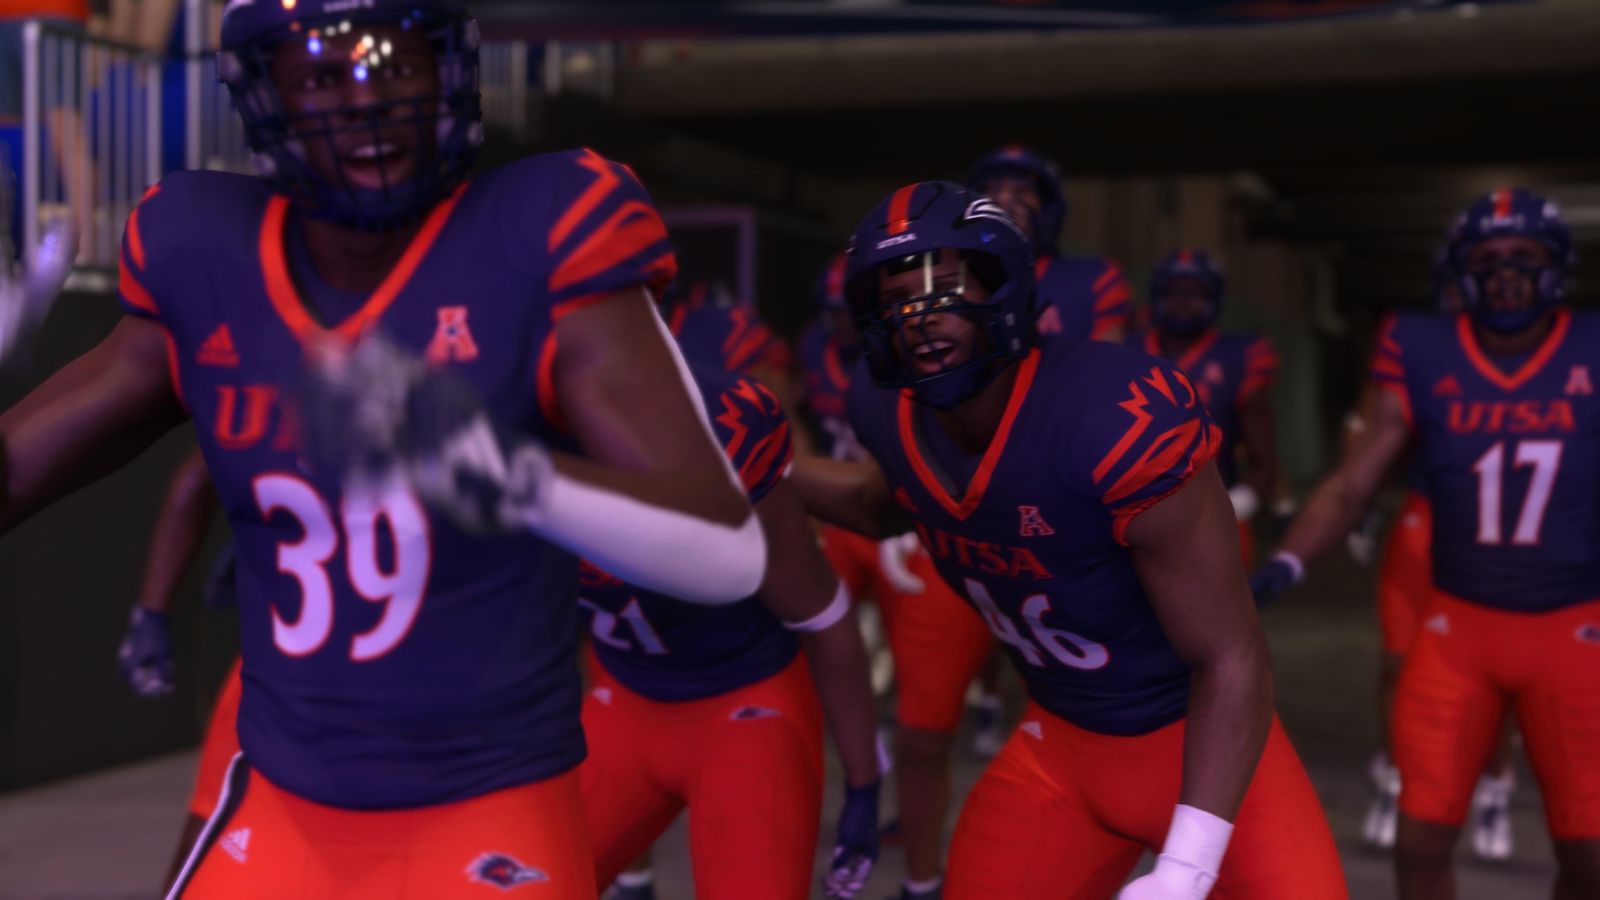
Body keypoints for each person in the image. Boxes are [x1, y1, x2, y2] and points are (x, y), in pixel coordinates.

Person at [0, 1, 769, 896]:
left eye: (395, 65)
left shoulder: (541, 232)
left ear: (449, 71)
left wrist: (500, 472)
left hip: (489, 809)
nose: (366, 101)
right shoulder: (206, 252)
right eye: (324, 76)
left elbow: (726, 554)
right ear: (266, 96)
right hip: (283, 805)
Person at [795, 180, 1345, 899]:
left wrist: (1187, 868)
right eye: (896, 299)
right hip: (1059, 749)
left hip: (1195, 744)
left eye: (946, 289)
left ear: (1006, 290)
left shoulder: (1110, 417)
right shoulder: (886, 412)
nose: (920, 316)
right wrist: (757, 462)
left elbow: (1232, 656)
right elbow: (885, 502)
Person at [1253, 188, 1598, 900]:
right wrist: (1287, 561)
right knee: (1418, 843)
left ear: (1556, 265)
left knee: (1589, 853)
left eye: (1523, 256)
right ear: (1462, 270)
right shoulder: (1422, 344)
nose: (1506, 274)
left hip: (1574, 626)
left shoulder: (1589, 345)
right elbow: (1352, 485)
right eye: (1489, 258)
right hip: (1457, 627)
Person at [580, 361, 880, 900]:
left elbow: (821, 612)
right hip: (624, 694)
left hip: (745, 701)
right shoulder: (502, 441)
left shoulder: (719, 434)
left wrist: (864, 783)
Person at [797, 251, 993, 900]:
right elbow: (784, 414)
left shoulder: (957, 349)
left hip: (922, 521)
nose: (843, 327)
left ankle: (921, 879)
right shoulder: (820, 352)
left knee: (924, 728)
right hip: (849, 511)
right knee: (782, 656)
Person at [964, 144, 1130, 755]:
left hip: (1063, 458)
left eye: (1023, 190)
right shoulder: (955, 274)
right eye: (996, 188)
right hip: (976, 459)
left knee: (1075, 598)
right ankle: (988, 698)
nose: (1008, 199)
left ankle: (1069, 713)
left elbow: (1108, 372)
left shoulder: (1091, 278)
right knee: (984, 594)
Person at [1131, 250, 1279, 564]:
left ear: (1213, 298)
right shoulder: (1127, 350)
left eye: (1194, 293)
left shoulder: (1239, 355)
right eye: (1173, 292)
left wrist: (1236, 506)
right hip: (1132, 513)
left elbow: (1264, 458)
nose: (1183, 302)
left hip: (1212, 508)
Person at [965, 145, 1130, 344]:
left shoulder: (1097, 279)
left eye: (1022, 190)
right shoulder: (954, 279)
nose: (1004, 199)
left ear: (1046, 210)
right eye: (991, 190)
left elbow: (1108, 360)